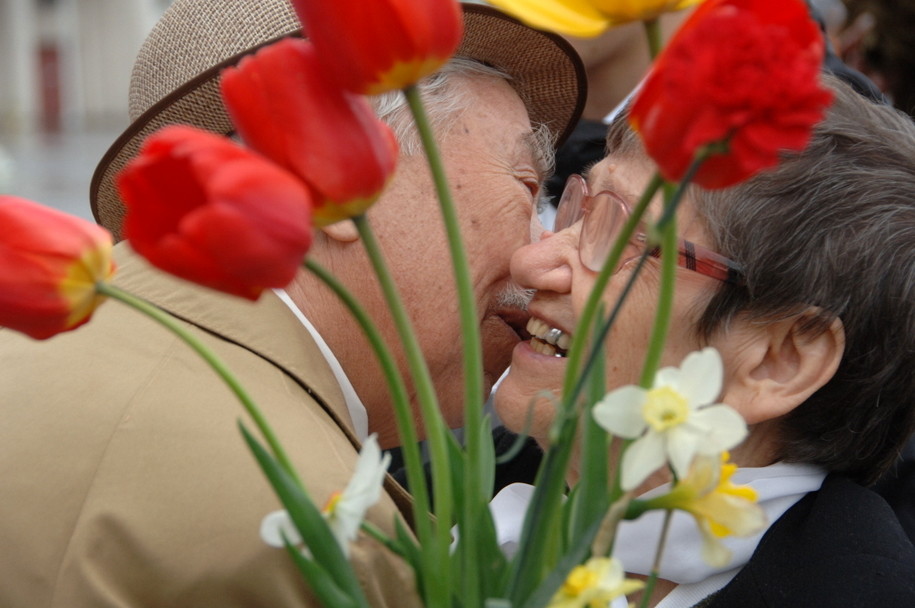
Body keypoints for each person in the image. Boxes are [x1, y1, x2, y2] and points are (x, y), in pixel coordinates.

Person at [0, 1, 586, 606]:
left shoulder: (61, 341)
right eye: (526, 187)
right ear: (326, 161)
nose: (541, 255)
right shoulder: (318, 532)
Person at [492, 74, 915, 606]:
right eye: (581, 207)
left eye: (625, 236)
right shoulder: (457, 491)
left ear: (777, 360)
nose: (532, 262)